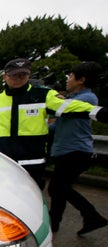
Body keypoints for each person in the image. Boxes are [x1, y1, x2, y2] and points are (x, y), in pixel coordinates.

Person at [0, 58, 107, 190]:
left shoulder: (43, 95)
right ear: (5, 76)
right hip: (5, 164)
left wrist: (100, 113)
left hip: (33, 163)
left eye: (22, 75)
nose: (18, 79)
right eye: (14, 75)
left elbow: (72, 107)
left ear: (28, 75)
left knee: (33, 205)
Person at [48, 61, 107, 235]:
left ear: (81, 79)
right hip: (64, 150)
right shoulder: (71, 100)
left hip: (76, 151)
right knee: (58, 190)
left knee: (58, 188)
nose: (68, 79)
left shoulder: (87, 98)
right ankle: (55, 224)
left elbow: (60, 109)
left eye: (71, 76)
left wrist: (52, 99)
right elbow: (55, 126)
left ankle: (92, 215)